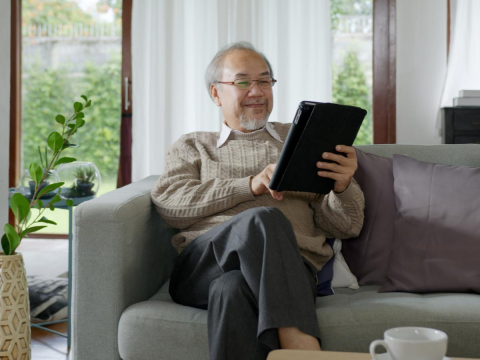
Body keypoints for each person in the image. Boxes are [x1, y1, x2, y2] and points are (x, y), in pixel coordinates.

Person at [151, 41, 365, 360]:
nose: (256, 90)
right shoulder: (194, 146)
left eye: (264, 81)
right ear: (215, 93)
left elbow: (347, 226)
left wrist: (343, 185)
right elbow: (170, 204)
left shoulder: (303, 141)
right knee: (263, 219)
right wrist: (249, 185)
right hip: (202, 266)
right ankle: (301, 345)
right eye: (242, 81)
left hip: (292, 269)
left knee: (231, 289)